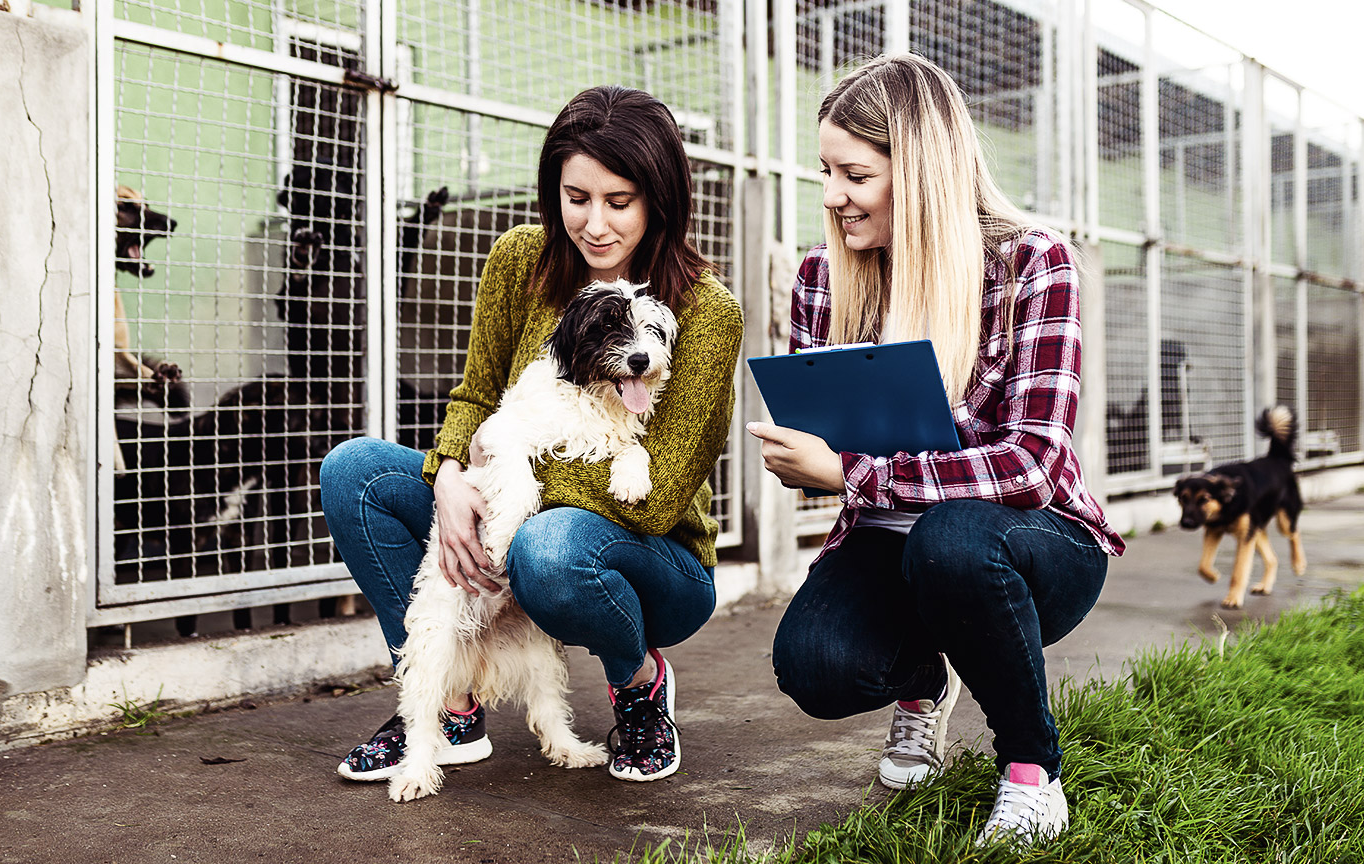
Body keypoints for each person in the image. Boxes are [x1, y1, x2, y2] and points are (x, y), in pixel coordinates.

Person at [746, 54, 1124, 847]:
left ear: (918, 172)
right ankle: (924, 680)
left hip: (1030, 543)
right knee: (813, 664)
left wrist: (852, 471)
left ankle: (1030, 775)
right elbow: (827, 447)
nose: (831, 196)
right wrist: (808, 457)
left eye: (854, 174)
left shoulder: (1031, 263)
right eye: (826, 171)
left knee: (954, 540)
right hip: (890, 536)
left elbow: (1030, 466)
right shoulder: (822, 276)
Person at [320, 85, 743, 786]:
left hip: (652, 557)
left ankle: (638, 682)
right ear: (554, 193)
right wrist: (452, 476)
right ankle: (445, 706)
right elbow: (476, 393)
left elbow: (657, 495)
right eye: (577, 198)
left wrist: (506, 465)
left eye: (620, 201)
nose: (596, 224)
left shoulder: (705, 310)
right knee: (353, 470)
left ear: (660, 198)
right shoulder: (523, 259)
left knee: (545, 545)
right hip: (500, 493)